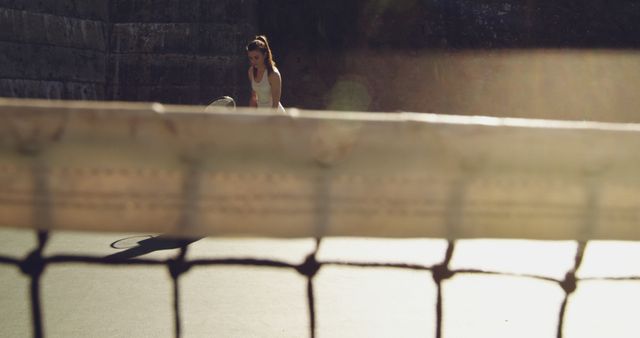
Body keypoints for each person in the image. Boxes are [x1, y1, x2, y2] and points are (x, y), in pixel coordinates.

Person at [246, 35, 285, 112]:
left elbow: (275, 105)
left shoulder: (273, 74)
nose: (253, 61)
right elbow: (254, 98)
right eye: (251, 58)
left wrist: (268, 121)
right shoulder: (251, 71)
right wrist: (250, 116)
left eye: (256, 57)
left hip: (276, 116)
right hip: (261, 115)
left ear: (264, 55)